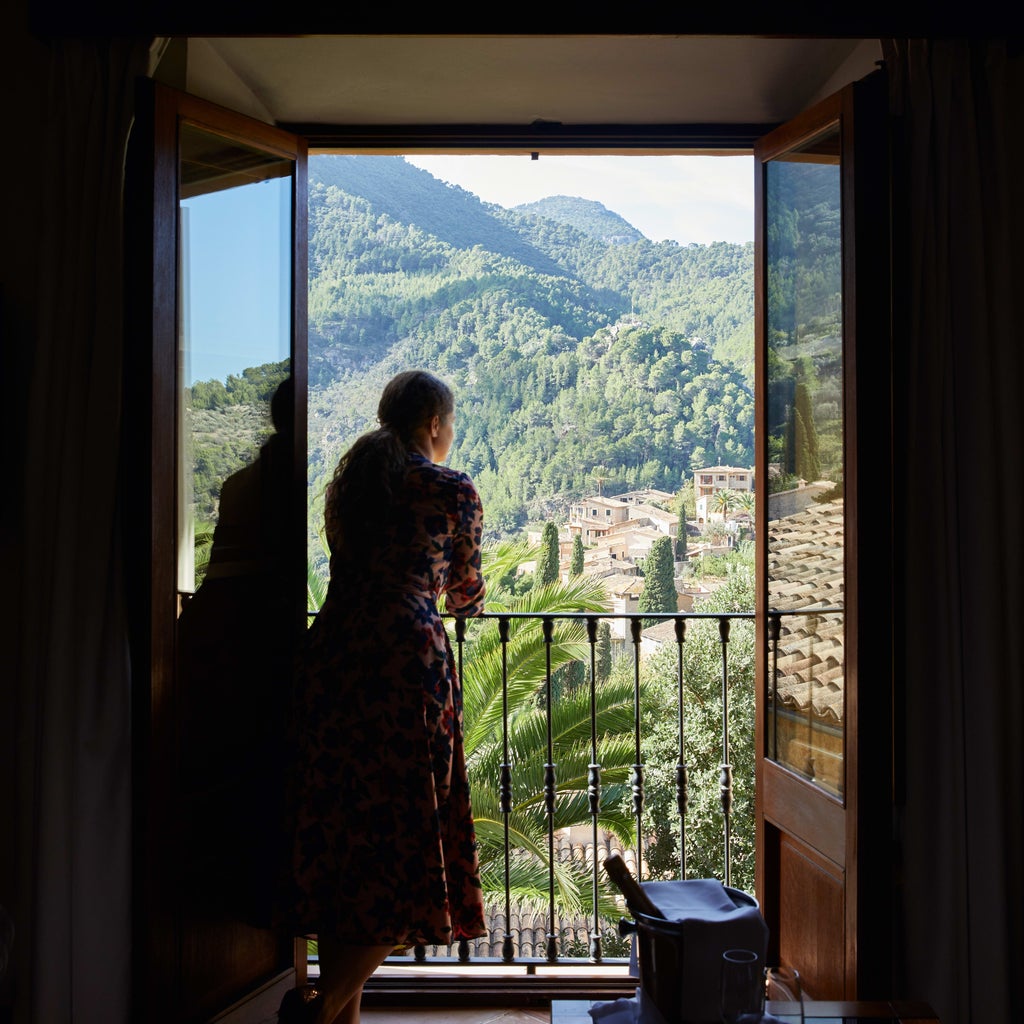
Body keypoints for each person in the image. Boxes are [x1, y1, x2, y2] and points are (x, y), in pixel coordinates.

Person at [279, 370, 487, 1024]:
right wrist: (462, 602)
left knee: (352, 843)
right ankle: (322, 1010)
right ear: (434, 424)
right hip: (404, 670)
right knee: (402, 846)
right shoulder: (451, 489)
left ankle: (342, 1016)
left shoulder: (352, 488)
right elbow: (465, 593)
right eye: (449, 424)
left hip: (333, 660)